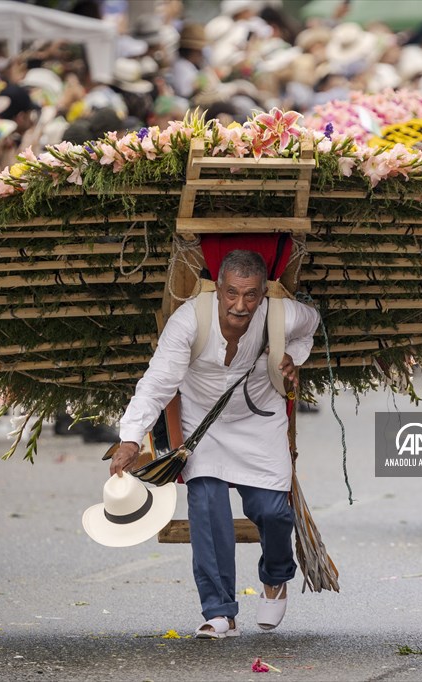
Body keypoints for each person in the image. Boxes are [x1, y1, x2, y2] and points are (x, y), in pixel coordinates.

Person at [109, 250, 319, 638]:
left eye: (251, 295)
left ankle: (275, 576)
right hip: (202, 426)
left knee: (272, 512)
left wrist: (294, 354)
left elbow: (313, 323)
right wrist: (129, 438)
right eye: (232, 294)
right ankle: (220, 610)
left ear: (263, 294)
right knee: (206, 505)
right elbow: (157, 384)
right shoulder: (188, 321)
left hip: (260, 421)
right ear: (218, 289)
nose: (241, 305)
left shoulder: (282, 315)